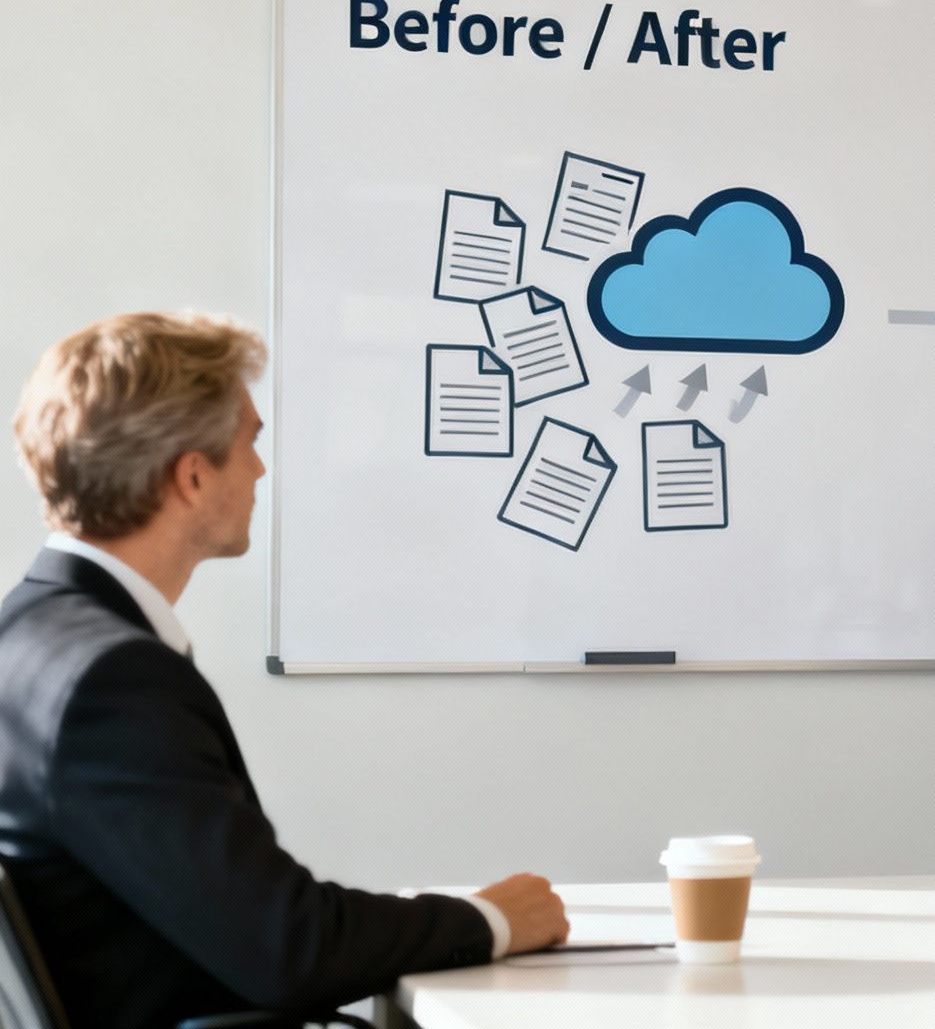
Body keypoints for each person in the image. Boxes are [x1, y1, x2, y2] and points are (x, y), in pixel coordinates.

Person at [0, 312, 570, 1029]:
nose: (261, 469)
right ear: (194, 475)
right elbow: (289, 948)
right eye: (251, 442)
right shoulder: (112, 682)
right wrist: (492, 920)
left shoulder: (28, 634)